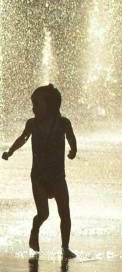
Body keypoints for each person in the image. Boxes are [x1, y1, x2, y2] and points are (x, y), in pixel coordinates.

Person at [2, 84, 78, 259]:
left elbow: (71, 137)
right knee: (43, 213)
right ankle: (35, 230)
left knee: (64, 212)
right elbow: (22, 138)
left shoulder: (63, 123)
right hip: (38, 177)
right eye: (33, 104)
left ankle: (65, 247)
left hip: (58, 177)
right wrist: (11, 151)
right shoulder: (32, 124)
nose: (33, 108)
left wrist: (74, 149)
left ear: (50, 105)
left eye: (37, 103)